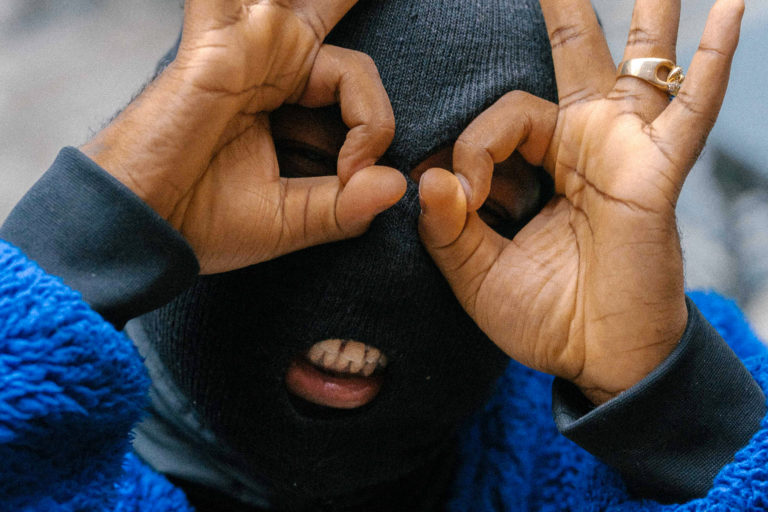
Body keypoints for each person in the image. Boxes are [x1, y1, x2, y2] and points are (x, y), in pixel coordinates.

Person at [0, 0, 766, 510]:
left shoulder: (583, 445)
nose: (388, 266)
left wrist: (677, 410)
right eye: (308, 160)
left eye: (485, 208)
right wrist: (95, 224)